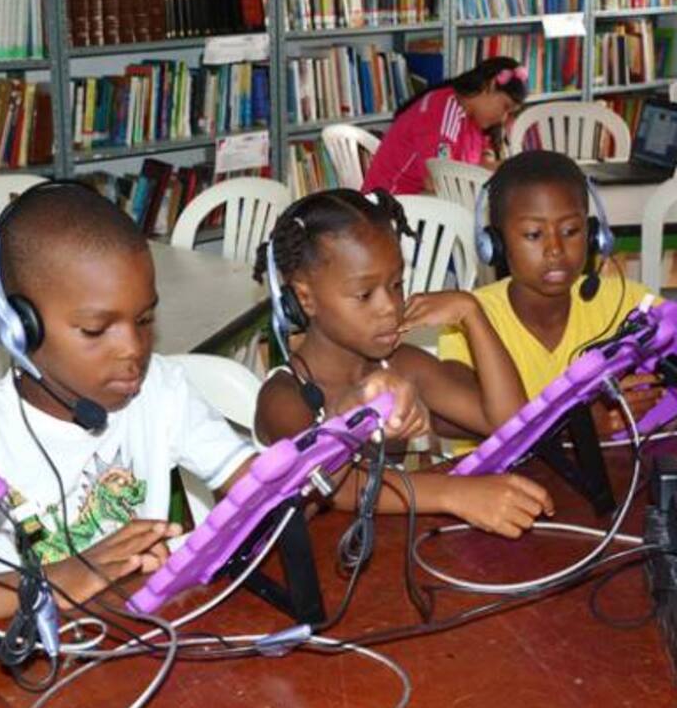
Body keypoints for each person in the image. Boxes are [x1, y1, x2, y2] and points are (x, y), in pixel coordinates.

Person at [0, 182, 272, 623]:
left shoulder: (161, 390)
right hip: (22, 653)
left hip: (135, 634)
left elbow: (261, 489)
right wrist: (55, 580)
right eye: (96, 330)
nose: (133, 348)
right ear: (19, 329)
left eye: (145, 319)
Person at [254, 188, 554, 538]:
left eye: (396, 284)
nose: (389, 307)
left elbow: (515, 425)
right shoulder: (283, 396)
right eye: (365, 294)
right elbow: (331, 483)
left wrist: (472, 314)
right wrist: (453, 494)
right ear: (305, 298)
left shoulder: (399, 364)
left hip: (389, 551)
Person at [438, 150, 663, 434]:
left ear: (593, 234)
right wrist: (577, 424)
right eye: (534, 234)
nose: (555, 249)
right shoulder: (471, 318)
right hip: (515, 465)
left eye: (570, 231)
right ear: (495, 243)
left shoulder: (629, 302)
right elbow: (446, 422)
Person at [362, 56, 528, 195]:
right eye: (505, 107)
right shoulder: (442, 111)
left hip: (423, 201)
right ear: (490, 86)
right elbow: (438, 182)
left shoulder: (475, 119)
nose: (503, 118)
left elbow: (479, 166)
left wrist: (509, 167)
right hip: (393, 205)